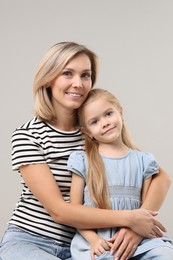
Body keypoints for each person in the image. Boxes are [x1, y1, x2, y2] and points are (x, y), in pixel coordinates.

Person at [0, 42, 171, 260]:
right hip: (31, 241)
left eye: (86, 75)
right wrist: (130, 218)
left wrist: (135, 228)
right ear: (48, 79)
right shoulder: (28, 136)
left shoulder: (95, 129)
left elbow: (160, 178)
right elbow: (59, 211)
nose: (78, 83)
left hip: (88, 245)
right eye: (68, 73)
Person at [67, 88, 173, 260]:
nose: (105, 123)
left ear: (120, 112)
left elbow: (145, 211)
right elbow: (74, 212)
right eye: (94, 122)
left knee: (165, 254)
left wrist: (138, 231)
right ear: (86, 131)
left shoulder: (144, 161)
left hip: (136, 238)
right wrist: (93, 240)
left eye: (108, 114)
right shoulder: (82, 161)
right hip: (97, 241)